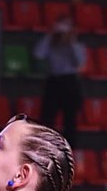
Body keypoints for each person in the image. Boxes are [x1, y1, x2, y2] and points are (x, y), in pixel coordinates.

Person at [34, 19, 87, 147]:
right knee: (47, 118)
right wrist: (51, 35)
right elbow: (38, 54)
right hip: (54, 81)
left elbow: (80, 62)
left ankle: (70, 149)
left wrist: (71, 40)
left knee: (70, 119)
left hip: (70, 81)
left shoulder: (77, 45)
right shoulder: (51, 44)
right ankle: (45, 147)